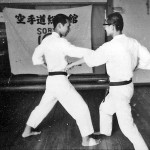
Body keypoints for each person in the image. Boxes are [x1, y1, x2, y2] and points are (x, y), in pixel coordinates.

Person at [66, 12, 149, 150]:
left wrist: (72, 64)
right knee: (105, 109)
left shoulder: (110, 46)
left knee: (127, 127)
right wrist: (134, 67)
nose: (105, 28)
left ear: (113, 26)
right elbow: (147, 59)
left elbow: (92, 58)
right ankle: (105, 132)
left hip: (119, 91)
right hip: (127, 87)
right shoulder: (133, 42)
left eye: (106, 25)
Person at [22, 14, 100, 147]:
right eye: (67, 25)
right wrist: (94, 52)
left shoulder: (46, 41)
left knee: (43, 107)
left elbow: (36, 58)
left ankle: (26, 131)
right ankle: (86, 140)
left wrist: (50, 68)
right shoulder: (61, 42)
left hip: (51, 79)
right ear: (59, 25)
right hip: (60, 82)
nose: (69, 28)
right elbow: (75, 51)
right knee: (81, 107)